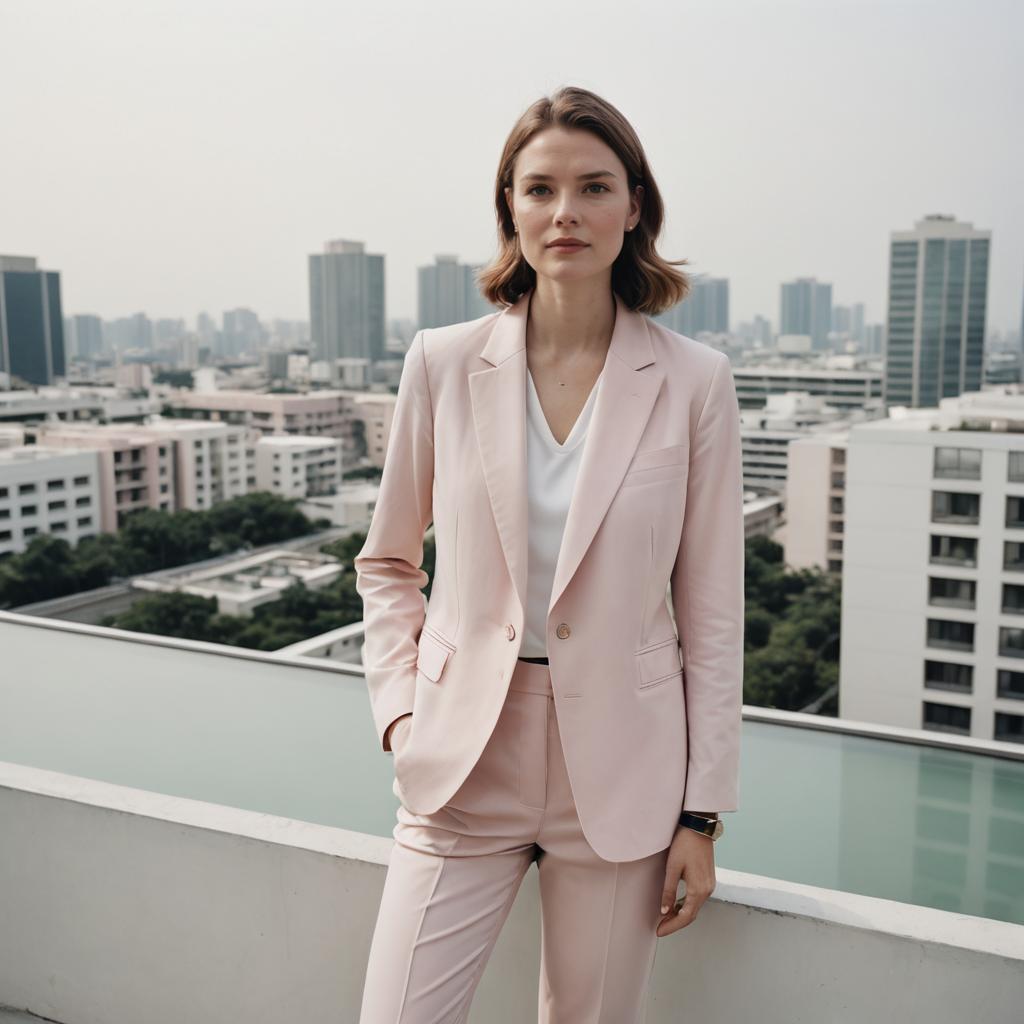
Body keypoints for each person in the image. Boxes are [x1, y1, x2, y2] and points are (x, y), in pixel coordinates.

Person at [355, 84, 744, 1023]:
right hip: (462, 756)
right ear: (511, 210)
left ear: (634, 206)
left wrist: (701, 814)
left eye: (594, 187)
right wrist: (403, 715)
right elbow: (388, 563)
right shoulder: (442, 363)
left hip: (621, 772)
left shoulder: (695, 382)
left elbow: (713, 612)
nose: (565, 211)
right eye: (539, 190)